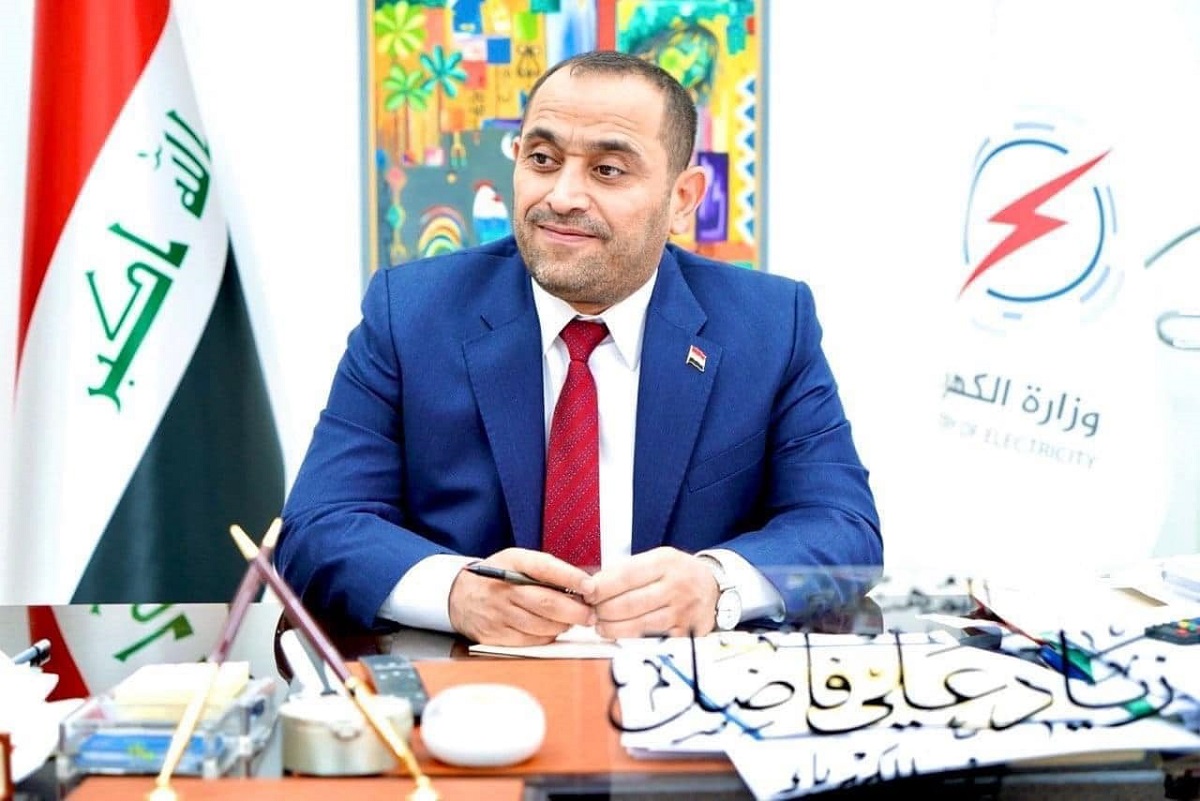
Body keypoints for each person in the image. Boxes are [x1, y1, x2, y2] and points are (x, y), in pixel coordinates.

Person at [275, 50, 882, 645]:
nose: (562, 195)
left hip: (683, 685)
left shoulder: (770, 325)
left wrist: (717, 584)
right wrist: (456, 592)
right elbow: (318, 528)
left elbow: (842, 528)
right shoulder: (410, 314)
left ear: (682, 199)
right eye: (542, 159)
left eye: (608, 170)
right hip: (471, 684)